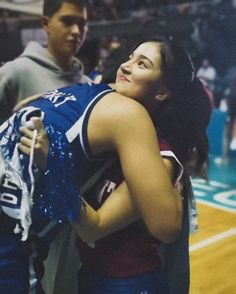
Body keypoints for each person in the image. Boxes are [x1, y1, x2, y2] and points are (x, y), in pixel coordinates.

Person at [16, 39, 211, 293]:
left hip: (129, 283)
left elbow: (95, 228)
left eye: (142, 64)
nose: (126, 66)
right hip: (91, 276)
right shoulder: (116, 132)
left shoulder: (159, 158)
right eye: (130, 57)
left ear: (162, 92)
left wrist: (56, 164)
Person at [0, 0, 90, 293]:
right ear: (45, 24)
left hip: (65, 223)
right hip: (17, 227)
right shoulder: (16, 72)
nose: (77, 31)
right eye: (68, 21)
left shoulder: (86, 84)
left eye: (83, 24)